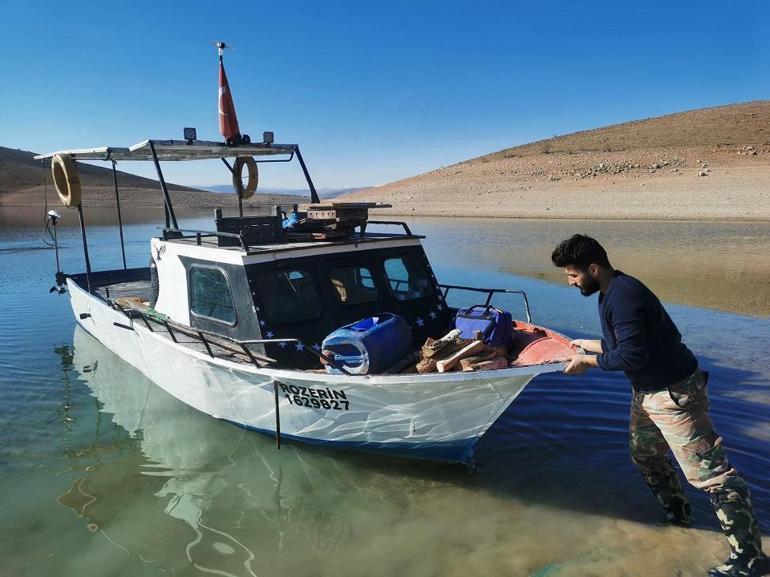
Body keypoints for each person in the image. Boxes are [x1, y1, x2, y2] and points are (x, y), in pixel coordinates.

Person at [551, 234, 767, 577]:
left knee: (715, 477)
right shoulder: (610, 292)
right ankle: (679, 517)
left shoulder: (625, 297)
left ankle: (751, 559)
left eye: (573, 275)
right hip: (648, 392)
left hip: (674, 393)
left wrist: (587, 362)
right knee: (646, 454)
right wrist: (585, 345)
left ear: (594, 268)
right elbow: (625, 342)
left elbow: (631, 354)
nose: (570, 281)